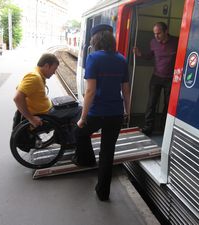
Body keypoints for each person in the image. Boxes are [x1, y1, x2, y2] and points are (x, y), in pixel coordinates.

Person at [73, 24, 131, 201]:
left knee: (79, 131)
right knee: (107, 152)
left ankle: (86, 160)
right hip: (115, 113)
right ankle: (103, 193)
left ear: (95, 40)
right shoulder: (121, 59)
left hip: (97, 112)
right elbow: (126, 89)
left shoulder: (93, 58)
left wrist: (83, 117)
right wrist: (127, 111)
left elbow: (90, 91)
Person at [134, 22, 178, 135]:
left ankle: (164, 127)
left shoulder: (176, 42)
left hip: (171, 79)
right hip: (157, 77)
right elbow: (150, 56)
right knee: (151, 103)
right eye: (154, 34)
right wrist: (140, 54)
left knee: (168, 104)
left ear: (166, 31)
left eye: (158, 33)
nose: (156, 36)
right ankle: (148, 128)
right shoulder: (153, 42)